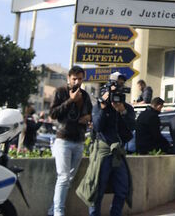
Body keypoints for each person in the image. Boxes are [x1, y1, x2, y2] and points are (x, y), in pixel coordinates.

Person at [77, 72, 135, 216]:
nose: (120, 87)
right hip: (103, 152)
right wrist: (103, 107)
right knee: (97, 188)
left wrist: (122, 111)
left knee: (123, 188)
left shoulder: (126, 107)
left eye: (122, 84)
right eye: (117, 84)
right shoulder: (100, 105)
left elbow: (132, 127)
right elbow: (97, 126)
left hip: (118, 152)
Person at [48, 65, 93, 216]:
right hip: (63, 139)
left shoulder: (85, 96)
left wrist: (88, 118)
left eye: (80, 79)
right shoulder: (60, 92)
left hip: (79, 141)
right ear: (68, 78)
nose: (77, 82)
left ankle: (52, 210)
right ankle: (58, 212)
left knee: (69, 179)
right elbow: (53, 114)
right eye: (74, 79)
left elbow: (90, 114)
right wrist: (70, 100)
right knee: (63, 177)